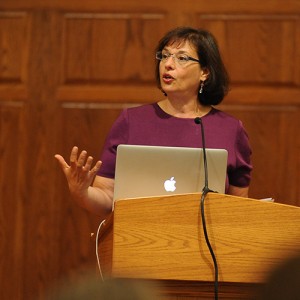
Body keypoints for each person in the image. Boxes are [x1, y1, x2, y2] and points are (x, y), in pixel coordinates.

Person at [55, 27, 252, 219]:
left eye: (181, 58)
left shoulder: (230, 129)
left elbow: (237, 210)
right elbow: (107, 199)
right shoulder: (131, 121)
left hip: (205, 248)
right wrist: (82, 193)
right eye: (164, 56)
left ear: (205, 72)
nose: (168, 64)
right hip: (141, 243)